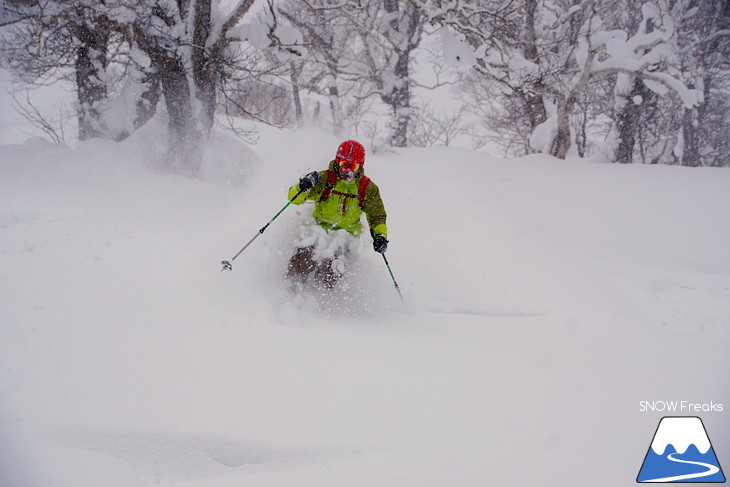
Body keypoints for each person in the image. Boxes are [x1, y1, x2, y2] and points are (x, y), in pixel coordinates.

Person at [286, 140, 388, 290]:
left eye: (353, 166)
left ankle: (323, 302)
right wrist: (303, 186)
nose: (347, 171)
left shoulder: (367, 188)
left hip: (346, 236)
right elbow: (292, 198)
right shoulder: (325, 179)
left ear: (360, 166)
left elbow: (377, 216)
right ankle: (289, 291)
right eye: (344, 165)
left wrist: (380, 237)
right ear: (337, 161)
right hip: (318, 230)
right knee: (303, 257)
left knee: (332, 267)